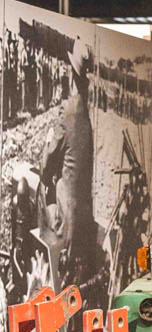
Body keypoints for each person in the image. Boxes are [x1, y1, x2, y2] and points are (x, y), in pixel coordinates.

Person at [39, 37, 96, 277]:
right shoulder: (86, 111)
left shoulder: (68, 110)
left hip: (67, 214)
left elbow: (47, 164)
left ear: (71, 73)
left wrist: (46, 143)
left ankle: (46, 256)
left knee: (42, 192)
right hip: (84, 208)